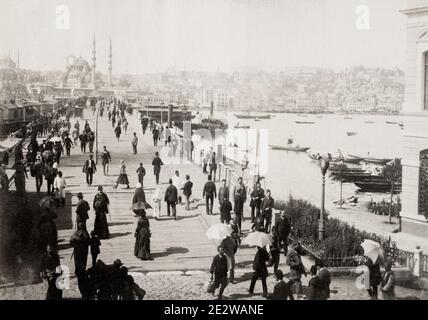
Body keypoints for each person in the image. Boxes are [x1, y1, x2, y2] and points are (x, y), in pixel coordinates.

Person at [70, 222, 91, 296]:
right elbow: (89, 241)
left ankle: (77, 270)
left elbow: (71, 241)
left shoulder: (75, 233)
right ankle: (82, 271)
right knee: (83, 261)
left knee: (77, 261)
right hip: (83, 251)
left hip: (77, 251)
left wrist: (75, 245)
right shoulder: (85, 233)